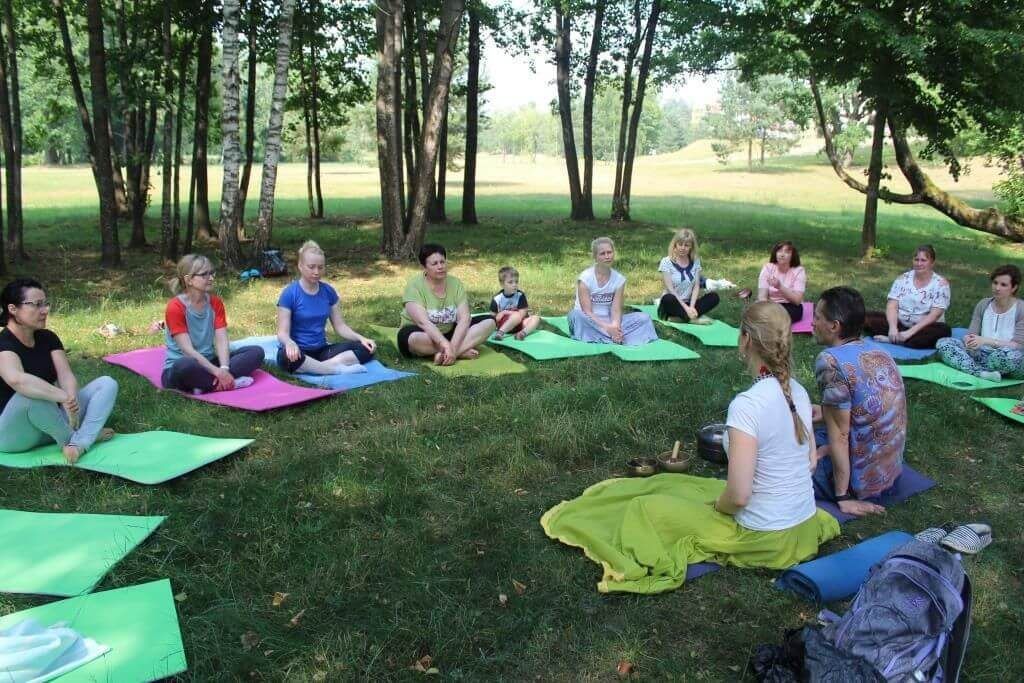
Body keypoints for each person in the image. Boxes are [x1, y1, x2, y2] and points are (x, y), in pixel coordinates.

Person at [811, 286, 906, 516]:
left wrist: (843, 496)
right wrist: (825, 413)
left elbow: (840, 436)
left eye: (817, 317)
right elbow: (872, 409)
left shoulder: (829, 361)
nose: (812, 323)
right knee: (801, 431)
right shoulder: (877, 350)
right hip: (888, 471)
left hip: (860, 482)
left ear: (834, 326)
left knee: (774, 460)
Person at [0, 278, 118, 463]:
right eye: (36, 305)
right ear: (13, 309)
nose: (45, 310)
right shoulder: (3, 343)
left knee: (107, 383)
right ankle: (80, 438)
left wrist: (72, 402)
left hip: (51, 422)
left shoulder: (48, 338)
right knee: (28, 395)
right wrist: (62, 397)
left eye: (45, 303)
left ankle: (79, 442)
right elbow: (17, 380)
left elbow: (65, 375)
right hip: (14, 434)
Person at [162, 254, 265, 393]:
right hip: (182, 366)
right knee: (184, 366)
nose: (211, 278)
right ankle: (224, 383)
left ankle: (206, 385)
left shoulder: (215, 303)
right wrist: (217, 372)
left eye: (211, 273)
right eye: (204, 274)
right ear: (188, 280)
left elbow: (222, 340)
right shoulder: (175, 307)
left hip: (209, 362)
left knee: (256, 352)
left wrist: (224, 369)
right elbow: (187, 351)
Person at [276, 241, 376, 375]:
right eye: (311, 267)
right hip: (298, 352)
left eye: (320, 267)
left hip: (322, 351)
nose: (316, 272)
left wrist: (361, 338)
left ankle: (317, 368)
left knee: (366, 349)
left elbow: (340, 326)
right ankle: (336, 369)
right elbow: (282, 333)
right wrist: (289, 343)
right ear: (300, 266)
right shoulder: (289, 293)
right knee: (285, 357)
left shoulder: (328, 292)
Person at [398, 243, 495, 364]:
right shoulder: (414, 286)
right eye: (434, 264)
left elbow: (464, 318)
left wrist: (452, 347)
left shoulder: (455, 283)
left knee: (490, 322)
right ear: (424, 267)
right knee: (414, 339)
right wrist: (445, 344)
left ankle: (449, 354)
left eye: (442, 262)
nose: (440, 267)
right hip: (422, 333)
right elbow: (423, 323)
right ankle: (458, 351)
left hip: (449, 332)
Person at [936, 265, 1024, 381]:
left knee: (1006, 356)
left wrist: (985, 341)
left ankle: (970, 367)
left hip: (1009, 357)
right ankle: (982, 373)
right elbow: (971, 333)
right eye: (995, 283)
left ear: (1014, 287)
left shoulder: (1021, 309)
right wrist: (969, 340)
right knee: (943, 343)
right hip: (981, 354)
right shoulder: (983, 304)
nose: (997, 288)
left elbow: (1018, 346)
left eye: (1003, 285)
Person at [567, 237, 658, 345]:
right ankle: (614, 338)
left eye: (609, 252)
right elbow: (587, 311)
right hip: (589, 321)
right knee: (576, 315)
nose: (607, 256)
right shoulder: (585, 278)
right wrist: (607, 328)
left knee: (643, 318)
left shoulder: (619, 279)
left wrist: (615, 328)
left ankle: (603, 338)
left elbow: (616, 310)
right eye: (602, 253)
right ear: (595, 257)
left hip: (608, 320)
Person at [863, 244, 951, 349]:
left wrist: (909, 333)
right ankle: (896, 337)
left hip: (923, 328)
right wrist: (892, 328)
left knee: (943, 331)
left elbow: (934, 315)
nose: (919, 263)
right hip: (900, 324)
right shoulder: (902, 279)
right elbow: (892, 306)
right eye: (916, 260)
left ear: (932, 263)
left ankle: (894, 340)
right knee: (865, 317)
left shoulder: (941, 284)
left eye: (923, 260)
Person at [656, 228, 720, 323]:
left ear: (691, 247)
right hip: (672, 303)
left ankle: (681, 318)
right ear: (675, 245)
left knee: (714, 297)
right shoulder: (666, 262)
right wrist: (686, 308)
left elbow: (696, 286)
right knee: (667, 298)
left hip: (689, 303)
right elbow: (670, 289)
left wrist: (692, 307)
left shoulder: (695, 261)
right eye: (680, 244)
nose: (683, 248)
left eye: (686, 245)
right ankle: (693, 320)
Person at [756, 240, 807, 323]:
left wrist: (780, 286)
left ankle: (772, 321)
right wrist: (765, 309)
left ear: (793, 256)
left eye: (787, 252)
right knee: (756, 310)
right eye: (779, 251)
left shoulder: (799, 271)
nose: (782, 254)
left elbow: (797, 300)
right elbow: (762, 297)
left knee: (793, 313)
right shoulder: (768, 268)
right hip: (771, 304)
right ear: (775, 253)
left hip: (791, 306)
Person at [490, 266, 541, 341]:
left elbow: (522, 314)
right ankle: (500, 333)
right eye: (510, 282)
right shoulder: (497, 299)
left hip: (519, 325)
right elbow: (492, 318)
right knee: (516, 315)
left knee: (536, 318)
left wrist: (505, 312)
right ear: (502, 284)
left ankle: (522, 333)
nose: (514, 284)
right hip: (504, 325)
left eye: (516, 282)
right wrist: (498, 317)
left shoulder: (520, 295)